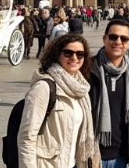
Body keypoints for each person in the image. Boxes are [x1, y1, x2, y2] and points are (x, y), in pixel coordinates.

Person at [17, 33, 101, 168]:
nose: (74, 58)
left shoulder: (81, 89)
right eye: (68, 53)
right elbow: (26, 138)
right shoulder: (44, 88)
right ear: (58, 55)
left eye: (80, 54)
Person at [89, 18, 129, 168]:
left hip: (121, 157)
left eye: (124, 38)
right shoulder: (88, 69)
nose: (118, 41)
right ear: (105, 39)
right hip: (90, 155)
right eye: (113, 37)